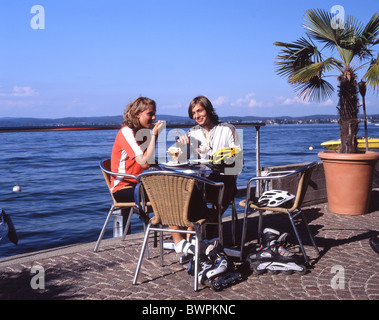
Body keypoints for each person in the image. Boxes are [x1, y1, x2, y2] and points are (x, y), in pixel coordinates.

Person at [172, 96, 242, 254]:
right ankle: (196, 233)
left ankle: (208, 223)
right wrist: (181, 145)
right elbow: (178, 159)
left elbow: (238, 159)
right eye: (193, 113)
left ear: (209, 110)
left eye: (199, 111)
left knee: (226, 183)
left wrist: (223, 158)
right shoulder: (192, 133)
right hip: (200, 181)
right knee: (185, 189)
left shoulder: (227, 129)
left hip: (223, 179)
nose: (197, 115)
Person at [110, 97, 164, 226]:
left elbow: (148, 162)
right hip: (123, 188)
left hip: (139, 184)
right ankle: (178, 239)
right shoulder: (126, 132)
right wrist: (155, 136)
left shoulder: (143, 133)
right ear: (137, 114)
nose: (154, 118)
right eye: (150, 114)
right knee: (169, 193)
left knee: (181, 188)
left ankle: (190, 235)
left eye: (154, 114)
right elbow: (145, 163)